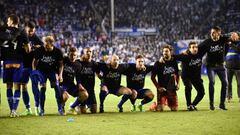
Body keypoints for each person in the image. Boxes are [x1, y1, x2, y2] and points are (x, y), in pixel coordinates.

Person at [198, 26, 238, 110]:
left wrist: (235, 34)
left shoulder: (223, 39)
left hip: (221, 66)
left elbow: (233, 35)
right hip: (210, 66)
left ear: (219, 33)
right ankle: (211, 104)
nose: (212, 34)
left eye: (214, 33)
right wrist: (187, 52)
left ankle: (222, 104)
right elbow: (197, 48)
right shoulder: (207, 42)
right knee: (212, 82)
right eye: (211, 33)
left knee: (225, 83)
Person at [1, 14, 30, 117]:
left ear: (12, 22)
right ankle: (14, 111)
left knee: (9, 86)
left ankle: (10, 111)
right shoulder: (23, 31)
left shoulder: (4, 30)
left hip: (7, 62)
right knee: (17, 86)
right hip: (18, 62)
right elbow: (28, 50)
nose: (7, 22)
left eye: (8, 21)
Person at [32, 36, 64, 116]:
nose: (44, 46)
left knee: (56, 87)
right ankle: (41, 110)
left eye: (46, 45)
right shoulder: (39, 50)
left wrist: (60, 75)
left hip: (52, 71)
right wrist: (34, 71)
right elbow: (34, 62)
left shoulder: (58, 52)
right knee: (43, 87)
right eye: (44, 44)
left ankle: (60, 108)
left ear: (51, 44)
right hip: (41, 71)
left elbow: (61, 65)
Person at [20, 21, 43, 115]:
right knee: (23, 86)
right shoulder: (21, 36)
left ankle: (37, 107)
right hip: (23, 65)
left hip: (34, 67)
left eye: (32, 31)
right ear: (26, 28)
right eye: (29, 31)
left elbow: (42, 46)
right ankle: (28, 109)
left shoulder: (35, 37)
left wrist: (35, 47)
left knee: (35, 86)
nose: (31, 33)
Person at [174, 41, 205, 111]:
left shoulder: (200, 53)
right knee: (189, 87)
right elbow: (173, 57)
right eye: (193, 47)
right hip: (186, 76)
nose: (195, 49)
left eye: (196, 47)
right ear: (189, 49)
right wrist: (162, 58)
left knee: (202, 92)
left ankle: (192, 105)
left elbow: (206, 44)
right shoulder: (185, 55)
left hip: (196, 77)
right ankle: (188, 105)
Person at [69, 47, 99, 114]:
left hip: (91, 91)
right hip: (83, 90)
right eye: (86, 52)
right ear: (83, 53)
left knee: (94, 111)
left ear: (92, 53)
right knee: (83, 112)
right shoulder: (79, 63)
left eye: (90, 51)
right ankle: (74, 105)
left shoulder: (94, 64)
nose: (88, 53)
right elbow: (73, 69)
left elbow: (99, 74)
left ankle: (88, 105)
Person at [151, 45, 180, 111]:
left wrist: (178, 84)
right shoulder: (158, 63)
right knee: (160, 109)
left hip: (172, 89)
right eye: (163, 51)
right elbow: (152, 77)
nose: (164, 53)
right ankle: (154, 106)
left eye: (166, 51)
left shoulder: (174, 62)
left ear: (170, 52)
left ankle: (167, 102)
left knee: (175, 109)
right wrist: (158, 87)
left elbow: (177, 74)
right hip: (162, 90)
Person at [60, 47, 88, 115]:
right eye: (71, 55)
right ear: (68, 54)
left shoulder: (78, 65)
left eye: (74, 55)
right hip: (62, 84)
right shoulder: (64, 60)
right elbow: (59, 67)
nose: (73, 57)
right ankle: (61, 107)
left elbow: (78, 77)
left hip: (71, 85)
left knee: (85, 95)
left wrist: (79, 84)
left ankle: (72, 107)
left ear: (77, 55)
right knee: (65, 96)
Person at [226, 32, 240, 102]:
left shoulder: (238, 43)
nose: (233, 36)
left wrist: (231, 44)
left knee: (239, 83)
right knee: (228, 83)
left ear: (238, 37)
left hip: (238, 67)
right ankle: (229, 96)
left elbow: (238, 50)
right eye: (232, 35)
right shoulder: (227, 44)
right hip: (228, 66)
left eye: (235, 35)